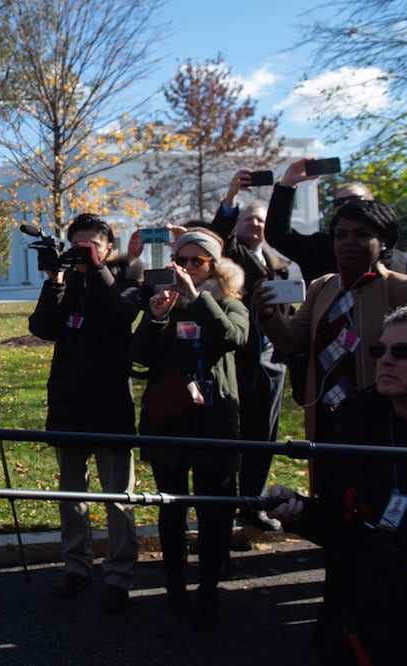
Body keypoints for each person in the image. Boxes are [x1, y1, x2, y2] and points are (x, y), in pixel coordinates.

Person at [267, 304, 407, 664]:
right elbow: (338, 522)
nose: (385, 360)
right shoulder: (359, 418)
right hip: (362, 611)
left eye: (404, 352)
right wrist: (298, 511)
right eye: (379, 350)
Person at [130, 228, 249, 631]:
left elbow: (233, 338)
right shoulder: (164, 305)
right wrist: (156, 316)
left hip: (213, 423)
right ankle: (175, 588)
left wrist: (198, 301)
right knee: (171, 508)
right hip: (169, 420)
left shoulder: (228, 305)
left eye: (198, 262)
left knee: (214, 511)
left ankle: (210, 588)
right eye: (182, 260)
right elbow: (138, 356)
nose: (188, 269)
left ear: (214, 266)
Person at [27, 214, 142, 613]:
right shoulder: (68, 283)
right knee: (70, 496)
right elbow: (43, 327)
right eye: (77, 246)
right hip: (68, 404)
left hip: (110, 404)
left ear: (108, 248)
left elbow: (120, 315)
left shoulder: (127, 281)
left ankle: (119, 575)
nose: (83, 253)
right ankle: (77, 565)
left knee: (118, 497)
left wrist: (96, 271)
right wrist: (55, 280)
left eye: (92, 246)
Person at [255, 200, 407, 448]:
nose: (349, 241)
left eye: (362, 234)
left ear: (384, 242)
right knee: (330, 479)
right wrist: (269, 316)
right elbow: (294, 340)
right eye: (341, 235)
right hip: (326, 414)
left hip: (383, 419)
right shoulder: (323, 287)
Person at [209, 175, 292, 531]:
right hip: (240, 357)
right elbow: (221, 235)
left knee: (265, 434)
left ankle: (254, 502)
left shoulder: (279, 263)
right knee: (236, 434)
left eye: (260, 220)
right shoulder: (234, 254)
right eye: (249, 219)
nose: (255, 225)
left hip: (273, 360)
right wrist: (231, 198)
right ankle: (229, 505)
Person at [263, 158, 406, 283]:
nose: (347, 205)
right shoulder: (320, 249)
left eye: (355, 200)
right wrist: (288, 182)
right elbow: (277, 235)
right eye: (339, 202)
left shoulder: (399, 261)